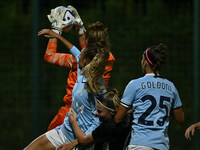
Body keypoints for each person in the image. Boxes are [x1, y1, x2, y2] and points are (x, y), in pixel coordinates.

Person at [24, 22, 110, 150]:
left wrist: (74, 144)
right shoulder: (82, 70)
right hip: (64, 131)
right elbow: (74, 50)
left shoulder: (98, 86)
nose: (78, 55)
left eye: (81, 55)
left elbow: (98, 125)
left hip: (80, 141)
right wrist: (56, 35)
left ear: (86, 61)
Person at [44, 5, 115, 131]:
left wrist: (56, 31)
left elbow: (49, 56)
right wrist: (80, 28)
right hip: (94, 115)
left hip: (71, 113)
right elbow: (87, 50)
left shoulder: (77, 61)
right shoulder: (108, 60)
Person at [114, 43, 184, 150]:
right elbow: (180, 119)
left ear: (145, 62)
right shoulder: (171, 87)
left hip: (139, 144)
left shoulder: (134, 84)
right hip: (162, 145)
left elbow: (118, 118)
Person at [57, 89, 132, 150]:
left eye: (99, 111)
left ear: (112, 112)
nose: (96, 113)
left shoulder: (109, 126)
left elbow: (83, 141)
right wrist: (72, 144)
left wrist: (73, 121)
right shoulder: (128, 117)